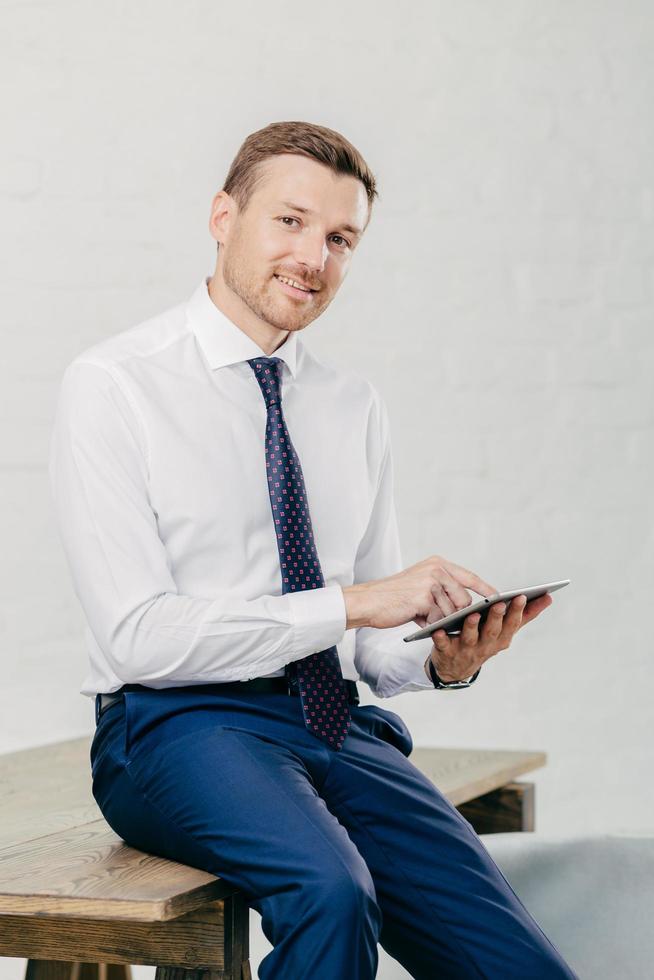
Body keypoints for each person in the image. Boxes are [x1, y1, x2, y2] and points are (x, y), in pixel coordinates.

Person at [49, 120, 576, 979]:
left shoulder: (351, 405)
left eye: (340, 238)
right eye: (289, 222)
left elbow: (370, 645)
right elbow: (137, 636)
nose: (314, 258)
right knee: (330, 892)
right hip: (174, 726)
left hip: (330, 722)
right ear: (224, 217)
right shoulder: (115, 385)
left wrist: (445, 659)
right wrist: (357, 602)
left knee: (512, 957)